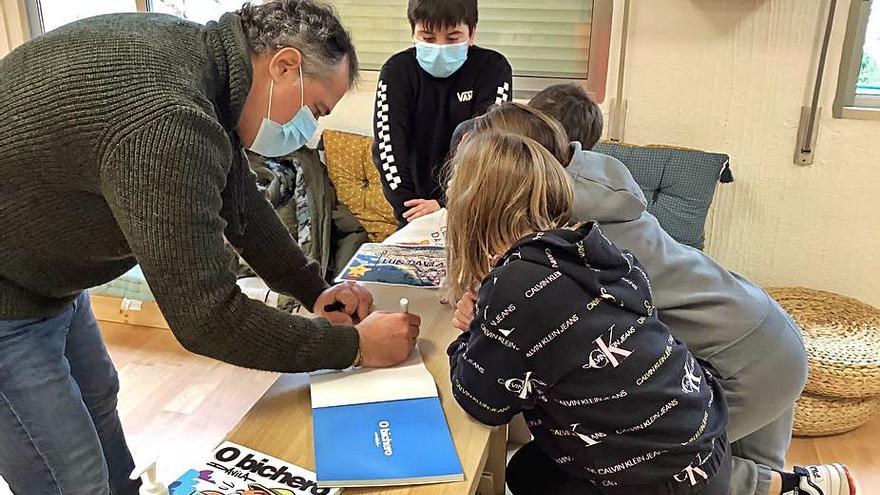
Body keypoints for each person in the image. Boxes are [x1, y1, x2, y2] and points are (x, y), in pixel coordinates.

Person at [0, 1, 420, 493]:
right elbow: (206, 318)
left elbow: (239, 200)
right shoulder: (171, 118)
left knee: (98, 399)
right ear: (283, 65)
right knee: (70, 474)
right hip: (10, 292)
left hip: (46, 274)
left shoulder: (203, 64)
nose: (308, 128)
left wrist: (313, 290)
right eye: (313, 110)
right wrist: (352, 347)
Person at [452, 101, 857, 495]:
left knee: (663, 461)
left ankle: (802, 487)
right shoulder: (591, 200)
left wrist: (482, 318)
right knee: (703, 460)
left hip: (745, 358)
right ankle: (804, 485)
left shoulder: (565, 239)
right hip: (754, 328)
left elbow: (501, 377)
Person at [445, 130, 731, 494]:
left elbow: (482, 402)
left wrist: (469, 334)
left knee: (528, 474)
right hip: (702, 436)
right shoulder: (587, 246)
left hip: (663, 478)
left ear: (472, 207)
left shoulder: (515, 283)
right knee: (528, 471)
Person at [372, 0, 513, 226]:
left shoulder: (493, 69)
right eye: (428, 38)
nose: (439, 47)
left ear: (472, 34)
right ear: (413, 32)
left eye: (452, 38)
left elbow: (490, 147)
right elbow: (387, 145)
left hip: (473, 207)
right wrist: (408, 208)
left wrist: (446, 202)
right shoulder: (397, 71)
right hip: (414, 211)